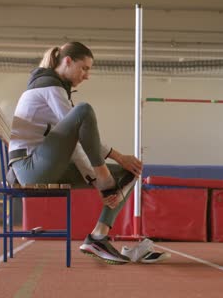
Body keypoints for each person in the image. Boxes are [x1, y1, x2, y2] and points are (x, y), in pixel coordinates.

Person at [8, 41, 161, 264]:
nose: (87, 75)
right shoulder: (49, 86)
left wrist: (95, 177)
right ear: (68, 61)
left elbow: (75, 143)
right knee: (84, 110)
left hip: (48, 165)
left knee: (129, 173)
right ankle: (105, 178)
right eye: (85, 68)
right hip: (29, 168)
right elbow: (79, 132)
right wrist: (106, 170)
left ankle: (98, 237)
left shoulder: (58, 88)